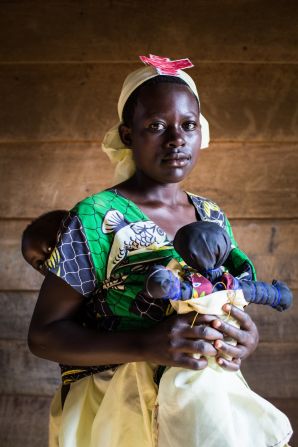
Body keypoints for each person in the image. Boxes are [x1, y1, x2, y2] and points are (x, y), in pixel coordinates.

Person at [26, 54, 281, 447]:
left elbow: (226, 298)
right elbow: (43, 336)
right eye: (157, 126)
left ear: (202, 132)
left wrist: (244, 337)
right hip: (119, 406)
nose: (176, 139)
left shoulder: (211, 216)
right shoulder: (96, 217)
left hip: (203, 402)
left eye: (188, 125)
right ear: (128, 135)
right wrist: (143, 344)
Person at [143, 220, 293, 447]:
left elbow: (170, 288)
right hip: (191, 358)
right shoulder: (224, 284)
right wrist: (278, 295)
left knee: (220, 415)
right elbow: (260, 292)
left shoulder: (206, 284)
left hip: (220, 362)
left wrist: (247, 337)